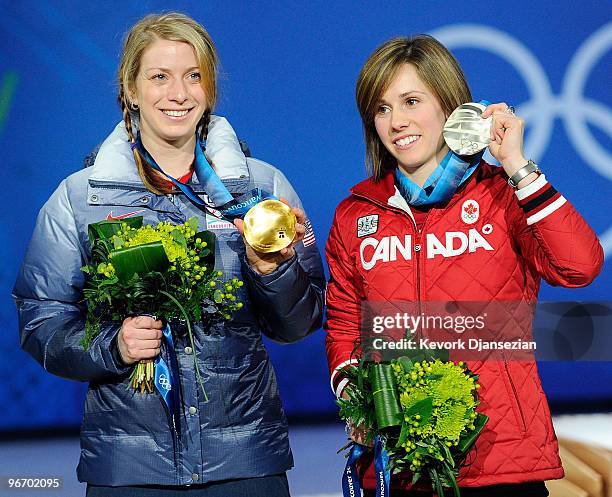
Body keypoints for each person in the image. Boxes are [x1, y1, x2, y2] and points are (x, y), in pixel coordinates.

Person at [13, 12, 324, 497]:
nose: (178, 94)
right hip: (130, 467)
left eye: (193, 76)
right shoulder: (82, 199)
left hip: (244, 461)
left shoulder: (262, 190)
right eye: (159, 77)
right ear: (130, 89)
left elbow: (299, 323)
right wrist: (112, 347)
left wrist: (272, 271)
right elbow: (40, 319)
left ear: (210, 88)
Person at [324, 35, 603, 497]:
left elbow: (579, 267)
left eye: (411, 101)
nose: (397, 122)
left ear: (452, 107)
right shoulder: (355, 215)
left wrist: (516, 165)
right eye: (382, 108)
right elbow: (345, 323)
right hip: (401, 459)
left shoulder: (502, 195)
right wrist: (358, 401)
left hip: (500, 457)